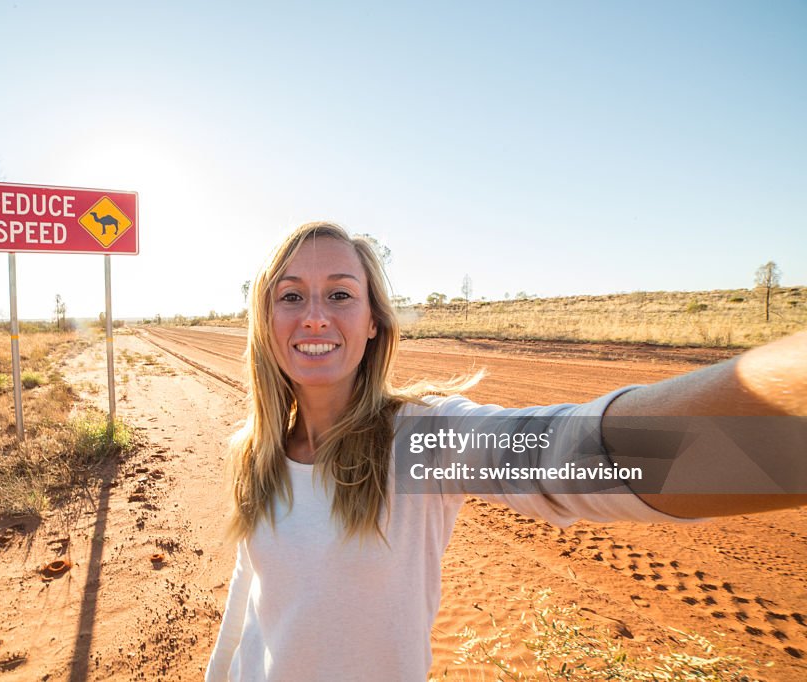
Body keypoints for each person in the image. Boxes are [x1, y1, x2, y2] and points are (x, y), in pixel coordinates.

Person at [205, 221, 807, 681]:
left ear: (372, 323)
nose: (314, 316)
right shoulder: (253, 451)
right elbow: (251, 598)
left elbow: (569, 456)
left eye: (340, 295)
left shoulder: (419, 442)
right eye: (291, 296)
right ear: (266, 319)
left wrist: (781, 436)